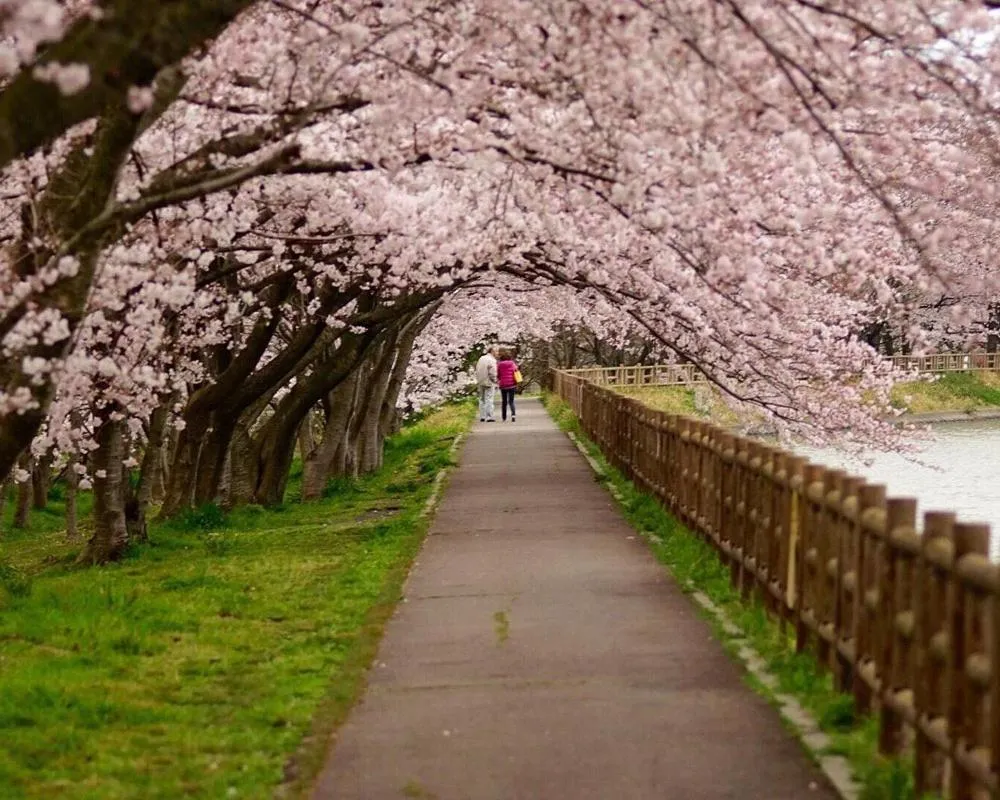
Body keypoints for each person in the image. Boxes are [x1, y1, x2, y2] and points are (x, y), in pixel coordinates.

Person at [496, 348, 520, 422]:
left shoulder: (499, 364)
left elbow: (498, 374)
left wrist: (500, 379)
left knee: (504, 401)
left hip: (503, 385)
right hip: (512, 385)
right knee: (511, 401)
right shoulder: (512, 363)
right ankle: (513, 415)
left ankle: (504, 417)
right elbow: (516, 371)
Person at [474, 346, 498, 422]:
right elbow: (492, 372)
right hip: (488, 381)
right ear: (492, 352)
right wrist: (495, 380)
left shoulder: (481, 358)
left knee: (482, 399)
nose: (497, 353)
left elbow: (477, 369)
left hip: (480, 381)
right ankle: (489, 416)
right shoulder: (491, 360)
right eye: (496, 351)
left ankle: (482, 416)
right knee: (489, 398)